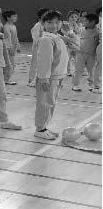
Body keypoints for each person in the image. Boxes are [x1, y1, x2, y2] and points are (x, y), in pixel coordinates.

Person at [34, 10, 69, 140]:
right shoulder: (45, 40)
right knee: (44, 104)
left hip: (57, 77)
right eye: (50, 22)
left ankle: (44, 127)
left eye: (57, 22)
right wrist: (44, 78)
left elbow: (76, 46)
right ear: (43, 23)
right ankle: (40, 129)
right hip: (48, 79)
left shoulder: (57, 37)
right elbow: (45, 61)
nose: (54, 25)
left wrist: (69, 32)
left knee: (51, 103)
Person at [72, 13, 100, 92]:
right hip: (80, 53)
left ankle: (91, 85)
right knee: (78, 70)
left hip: (91, 55)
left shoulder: (97, 32)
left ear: (93, 22)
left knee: (91, 70)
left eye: (86, 21)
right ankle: (75, 85)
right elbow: (76, 38)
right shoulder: (82, 29)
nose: (84, 23)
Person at [28, 8, 49, 87]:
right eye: (46, 14)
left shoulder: (47, 25)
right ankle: (31, 80)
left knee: (44, 64)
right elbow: (36, 39)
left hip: (45, 47)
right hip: (37, 47)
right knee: (35, 64)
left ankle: (42, 79)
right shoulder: (37, 26)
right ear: (42, 16)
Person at [2, 10, 20, 85]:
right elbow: (7, 38)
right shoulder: (6, 27)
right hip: (8, 48)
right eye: (14, 16)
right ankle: (6, 79)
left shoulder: (13, 26)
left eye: (16, 16)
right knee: (9, 65)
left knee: (11, 64)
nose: (16, 17)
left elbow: (15, 37)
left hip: (13, 47)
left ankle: (5, 78)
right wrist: (10, 48)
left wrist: (18, 45)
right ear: (8, 18)